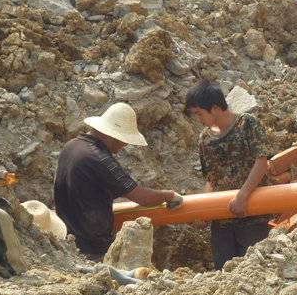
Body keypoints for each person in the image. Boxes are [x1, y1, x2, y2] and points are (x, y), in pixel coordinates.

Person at [54, 102, 183, 261]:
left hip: (67, 242)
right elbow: (142, 197)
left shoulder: (71, 146)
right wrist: (169, 196)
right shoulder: (100, 159)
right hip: (92, 248)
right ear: (114, 135)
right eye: (125, 139)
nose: (125, 145)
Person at [185, 80, 271, 269]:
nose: (198, 119)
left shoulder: (247, 124)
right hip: (221, 222)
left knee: (254, 270)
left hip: (252, 217)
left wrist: (242, 196)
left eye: (199, 113)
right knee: (224, 274)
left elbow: (261, 162)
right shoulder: (205, 139)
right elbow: (210, 179)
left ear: (214, 108)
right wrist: (204, 211)